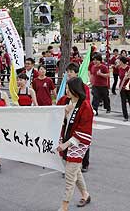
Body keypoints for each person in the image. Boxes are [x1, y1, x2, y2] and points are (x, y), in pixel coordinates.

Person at [57, 77, 93, 211]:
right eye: (66, 88)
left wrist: (66, 144)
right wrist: (64, 113)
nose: (66, 91)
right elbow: (56, 117)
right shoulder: (64, 101)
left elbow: (84, 130)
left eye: (68, 88)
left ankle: (64, 206)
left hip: (79, 143)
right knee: (75, 171)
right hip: (66, 139)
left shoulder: (85, 106)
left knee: (69, 175)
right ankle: (85, 194)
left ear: (75, 90)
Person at [57, 63, 91, 173]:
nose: (69, 73)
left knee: (80, 142)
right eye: (68, 71)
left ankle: (83, 163)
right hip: (67, 127)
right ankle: (83, 190)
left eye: (71, 71)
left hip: (79, 125)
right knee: (73, 169)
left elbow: (86, 102)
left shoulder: (83, 88)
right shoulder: (64, 98)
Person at [117, 56, 130, 121]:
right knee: (123, 102)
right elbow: (120, 78)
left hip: (128, 87)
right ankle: (125, 116)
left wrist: (128, 77)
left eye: (119, 61)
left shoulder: (128, 68)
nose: (118, 62)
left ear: (122, 61)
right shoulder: (120, 68)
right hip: (122, 87)